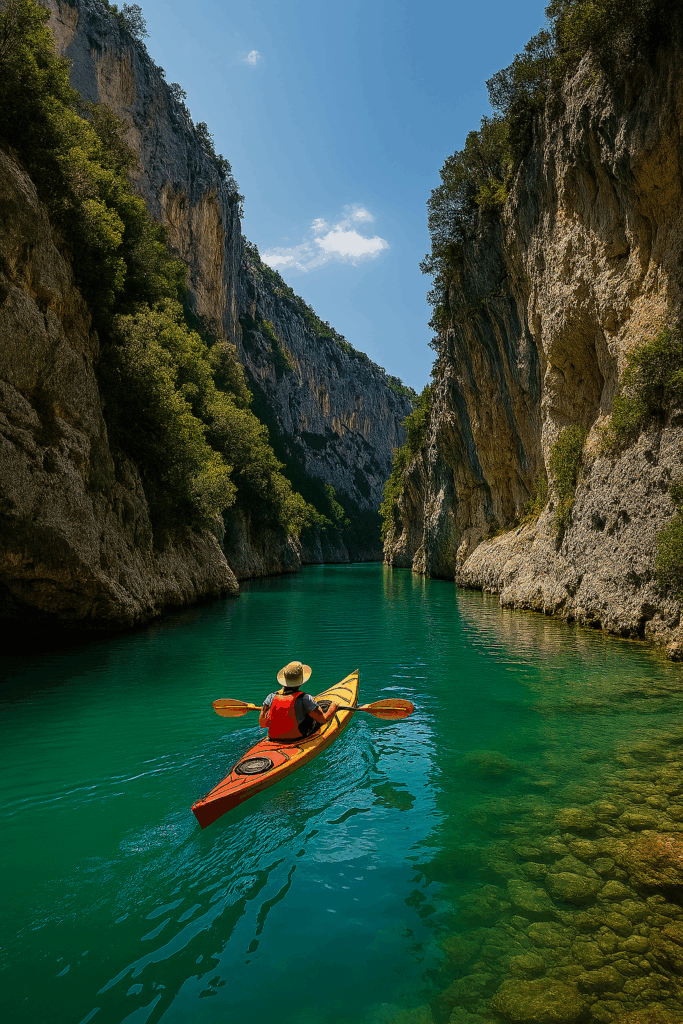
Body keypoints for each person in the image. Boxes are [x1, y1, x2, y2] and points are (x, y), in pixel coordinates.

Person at [259, 661, 338, 741]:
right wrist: (333, 707)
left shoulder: (271, 697)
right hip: (298, 736)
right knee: (323, 706)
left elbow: (262, 724)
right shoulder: (305, 698)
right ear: (301, 681)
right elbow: (322, 719)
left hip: (273, 737)